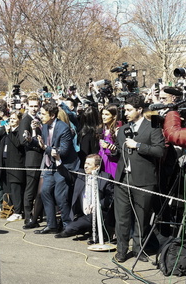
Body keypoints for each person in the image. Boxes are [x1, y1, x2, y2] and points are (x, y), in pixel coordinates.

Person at [113, 94, 165, 262]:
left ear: (139, 110)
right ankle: (121, 251)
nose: (125, 113)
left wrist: (139, 146)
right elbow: (120, 152)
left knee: (141, 218)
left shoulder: (152, 128)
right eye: (125, 110)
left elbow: (159, 151)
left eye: (129, 110)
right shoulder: (122, 129)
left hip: (144, 180)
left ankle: (138, 249)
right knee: (122, 218)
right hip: (122, 179)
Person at [34, 100, 79, 235]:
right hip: (50, 165)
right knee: (45, 192)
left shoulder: (63, 128)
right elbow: (43, 144)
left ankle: (67, 226)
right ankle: (51, 224)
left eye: (43, 114)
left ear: (52, 115)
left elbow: (63, 151)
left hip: (63, 166)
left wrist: (45, 148)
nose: (40, 116)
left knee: (60, 196)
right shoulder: (45, 126)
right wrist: (32, 141)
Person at [54, 153, 114, 242]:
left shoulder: (106, 177)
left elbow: (111, 196)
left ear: (97, 167)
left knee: (96, 217)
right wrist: (58, 159)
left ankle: (101, 235)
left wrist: (98, 204)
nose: (85, 166)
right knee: (69, 229)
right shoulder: (80, 174)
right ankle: (86, 229)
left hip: (100, 214)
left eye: (89, 164)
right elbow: (66, 173)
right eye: (85, 163)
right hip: (84, 214)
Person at [19, 96, 44, 229]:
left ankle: (36, 215)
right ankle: (28, 216)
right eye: (32, 106)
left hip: (42, 158)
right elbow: (23, 141)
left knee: (38, 190)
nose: (34, 108)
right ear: (27, 106)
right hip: (32, 159)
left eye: (36, 106)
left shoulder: (39, 119)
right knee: (30, 188)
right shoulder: (25, 120)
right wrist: (34, 137)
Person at [0, 111, 25, 221]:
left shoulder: (19, 131)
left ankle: (19, 211)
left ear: (19, 120)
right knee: (9, 188)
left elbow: (18, 144)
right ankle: (11, 208)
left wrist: (9, 132)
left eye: (14, 119)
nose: (11, 120)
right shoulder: (7, 131)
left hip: (16, 163)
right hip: (6, 162)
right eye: (10, 119)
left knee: (16, 188)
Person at [97, 104, 119, 178]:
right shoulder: (102, 129)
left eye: (106, 114)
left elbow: (119, 151)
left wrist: (109, 147)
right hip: (102, 162)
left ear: (114, 116)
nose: (103, 116)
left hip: (112, 164)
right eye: (102, 114)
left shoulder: (117, 131)